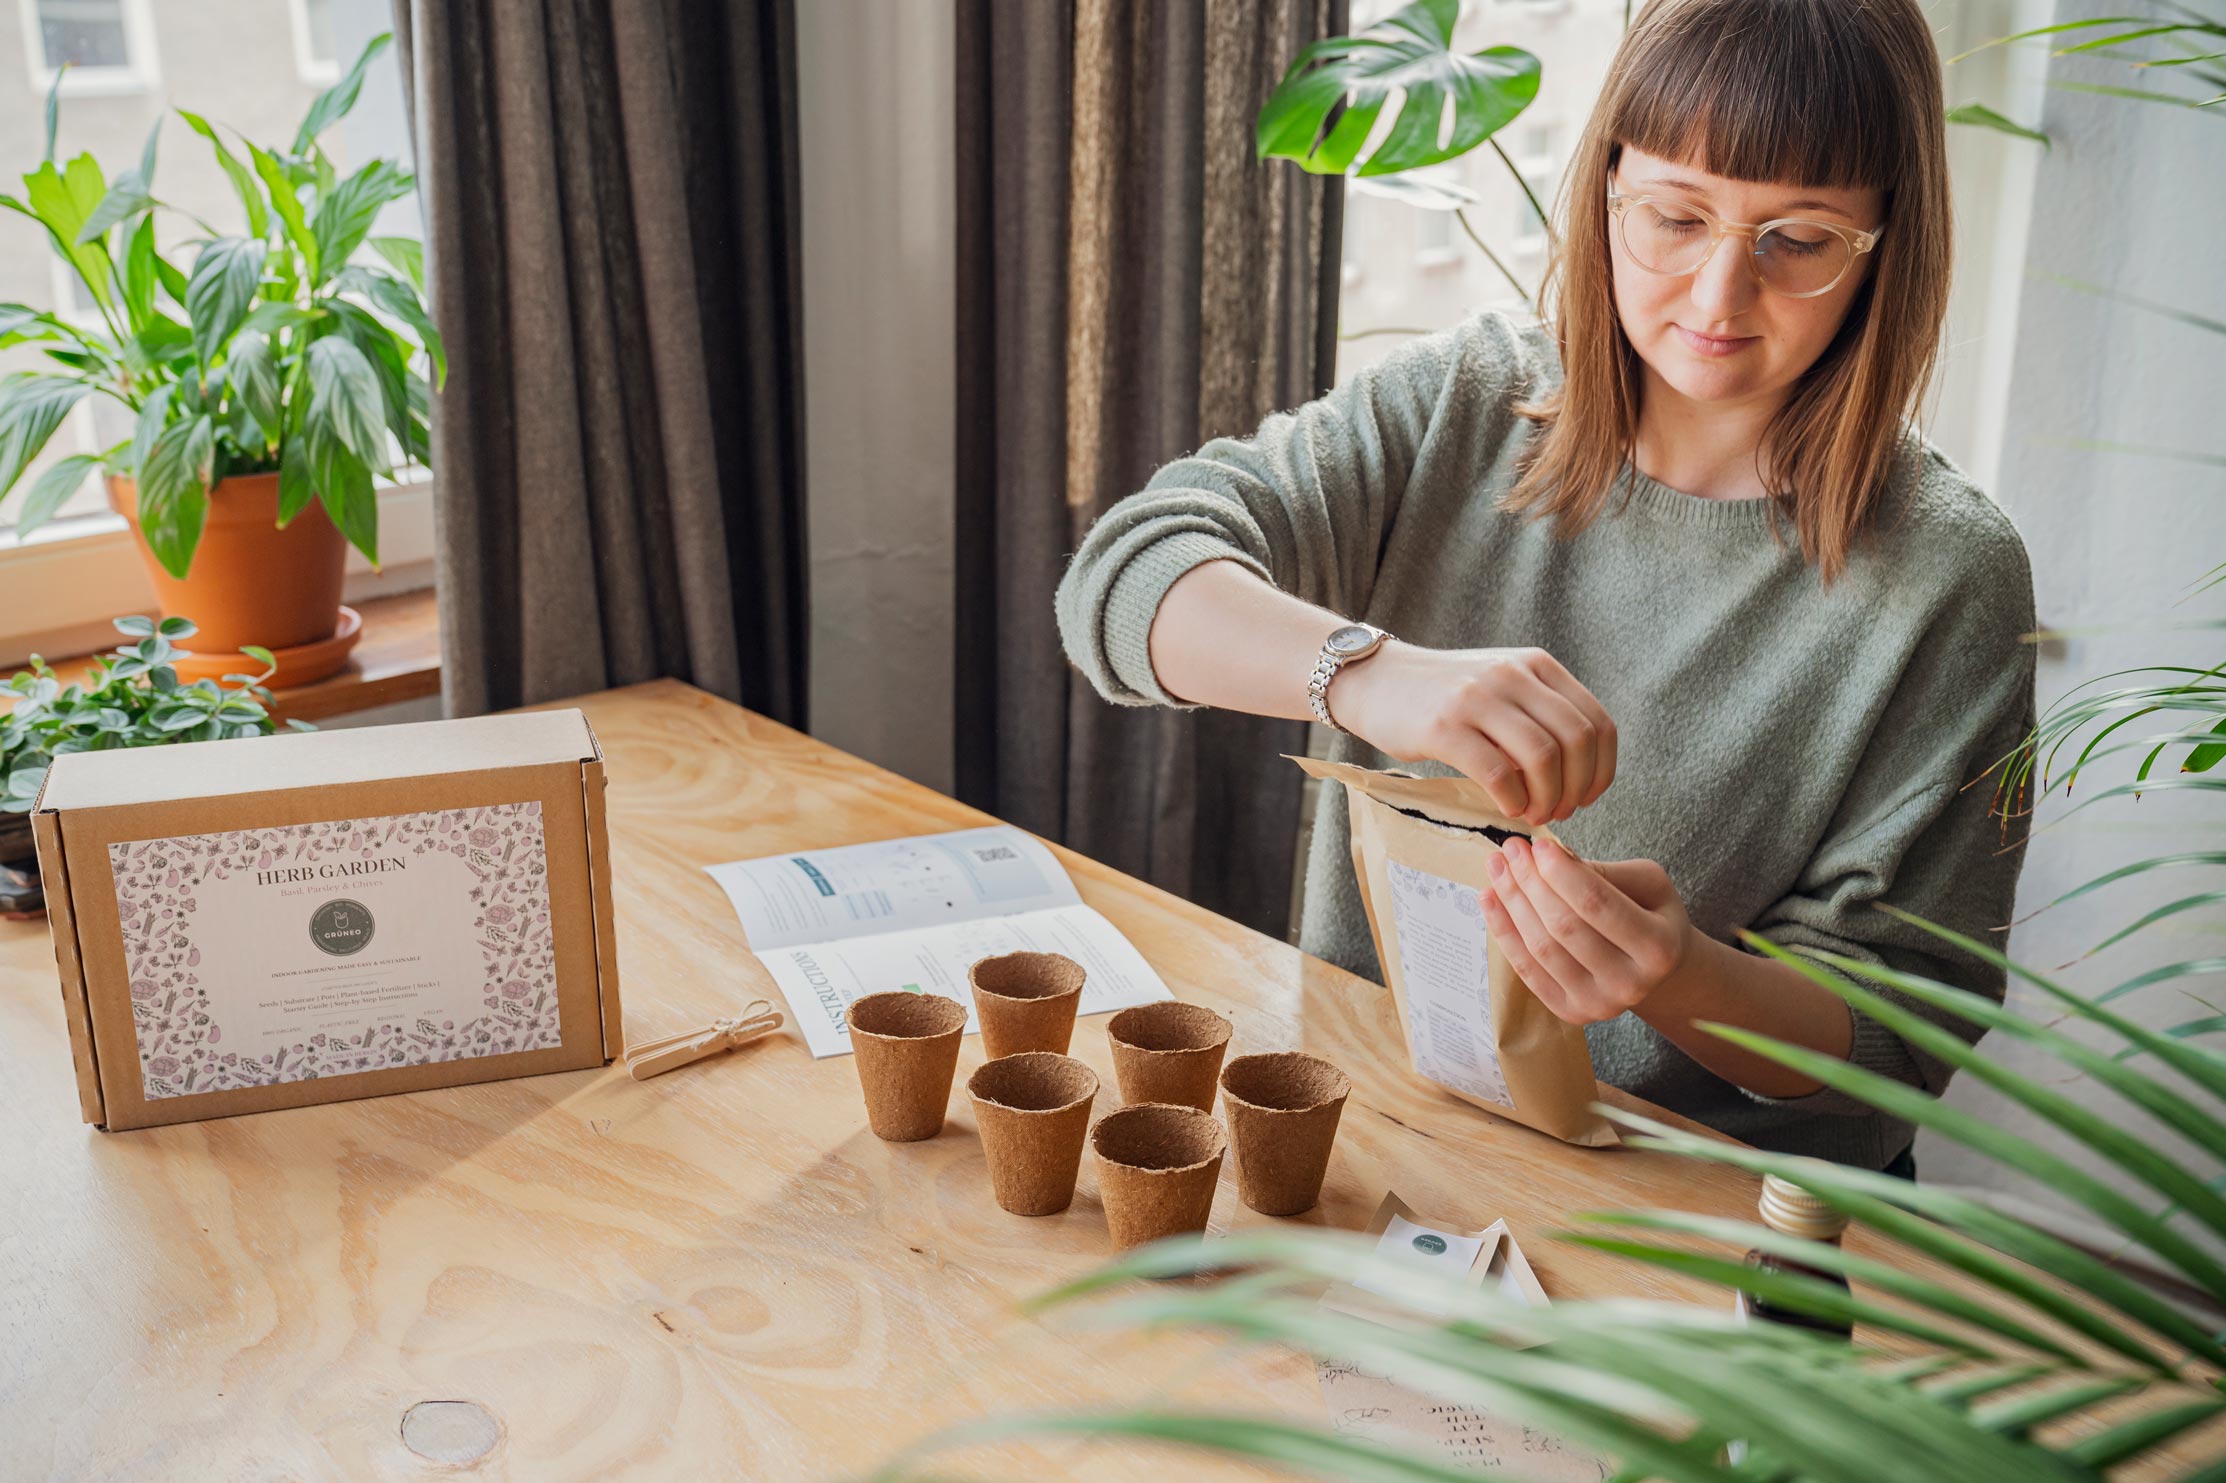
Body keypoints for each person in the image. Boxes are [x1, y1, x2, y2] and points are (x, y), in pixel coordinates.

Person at [1053, 0, 2036, 1174]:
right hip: (1370, 1131)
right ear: (1608, 189)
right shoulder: (1464, 406)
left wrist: (1679, 978)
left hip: (1704, 1213)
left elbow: (1899, 1040)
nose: (1719, 295)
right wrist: (1370, 676)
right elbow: (1120, 580)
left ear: (1889, 240)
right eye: (1674, 216)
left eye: (1801, 239)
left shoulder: (1948, 575)